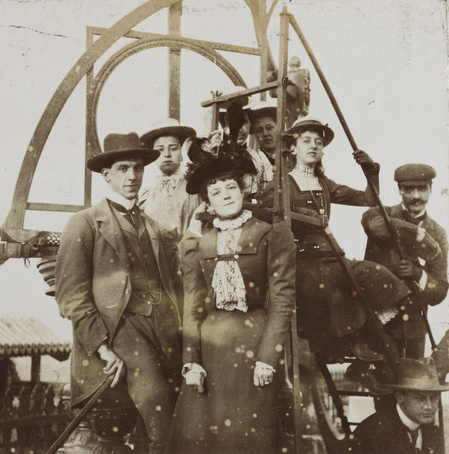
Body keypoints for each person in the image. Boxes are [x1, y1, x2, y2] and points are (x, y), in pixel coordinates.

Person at [55, 132, 182, 454]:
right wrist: (103, 348)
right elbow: (71, 296)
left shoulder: (152, 227)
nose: (132, 176)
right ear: (106, 174)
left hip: (163, 331)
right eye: (123, 169)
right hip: (119, 332)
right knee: (162, 419)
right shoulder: (84, 224)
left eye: (138, 168)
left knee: (188, 413)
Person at [167, 155, 296, 453]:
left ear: (242, 192)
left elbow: (282, 304)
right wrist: (192, 361)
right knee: (201, 435)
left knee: (249, 434)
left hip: (254, 345)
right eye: (216, 192)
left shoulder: (271, 233)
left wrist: (268, 357)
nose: (225, 194)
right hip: (212, 347)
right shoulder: (200, 242)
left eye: (230, 188)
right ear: (207, 205)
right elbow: (193, 306)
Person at [259, 116, 412, 365]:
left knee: (375, 274)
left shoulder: (324, 183)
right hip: (302, 262)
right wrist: (296, 218)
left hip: (332, 256)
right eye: (306, 140)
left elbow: (368, 200)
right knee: (338, 284)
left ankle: (366, 340)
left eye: (318, 142)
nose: (313, 146)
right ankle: (348, 341)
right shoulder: (281, 185)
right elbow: (266, 220)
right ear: (293, 148)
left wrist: (371, 171)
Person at [362, 164, 448, 358]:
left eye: (422, 189)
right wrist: (419, 236)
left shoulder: (439, 234)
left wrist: (418, 273)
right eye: (409, 190)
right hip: (380, 322)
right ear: (400, 190)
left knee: (414, 386)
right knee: (384, 385)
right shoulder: (381, 215)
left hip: (415, 329)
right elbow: (373, 225)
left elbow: (440, 292)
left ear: (431, 190)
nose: (416, 196)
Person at [351, 357, 448, 454]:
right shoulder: (370, 433)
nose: (429, 406)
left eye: (434, 398)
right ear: (400, 397)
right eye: (420, 399)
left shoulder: (432, 432)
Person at [138, 118, 199, 239]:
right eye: (160, 149)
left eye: (173, 148)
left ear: (182, 153)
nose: (166, 154)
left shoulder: (194, 188)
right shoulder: (147, 195)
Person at [247, 100, 279, 167]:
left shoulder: (292, 156)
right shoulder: (255, 161)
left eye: (269, 127)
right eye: (259, 130)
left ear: (278, 128)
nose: (265, 134)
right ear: (254, 135)